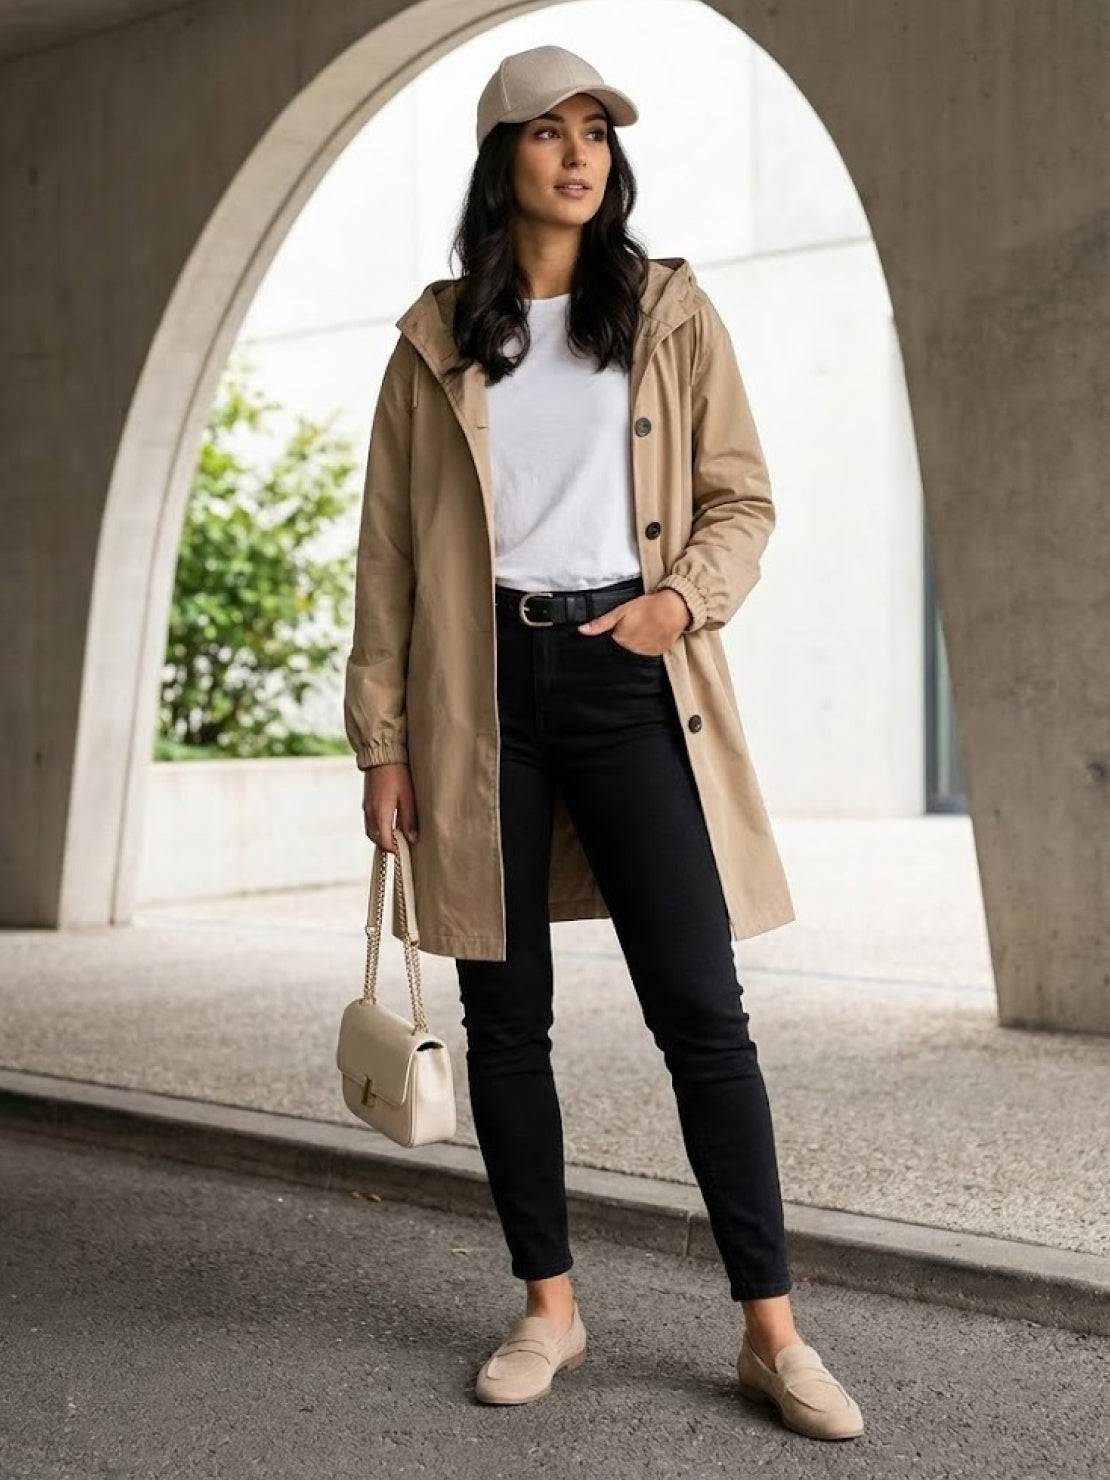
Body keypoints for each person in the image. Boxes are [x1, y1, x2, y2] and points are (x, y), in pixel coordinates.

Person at [348, 44, 864, 1441]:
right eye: (545, 133)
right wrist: (381, 741)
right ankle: (549, 1310)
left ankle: (770, 1332)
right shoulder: (437, 336)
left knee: (702, 1011)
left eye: (595, 132)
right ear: (498, 156)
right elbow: (387, 553)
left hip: (630, 676)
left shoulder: (669, 313)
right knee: (504, 1023)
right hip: (478, 702)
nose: (576, 154)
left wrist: (677, 605)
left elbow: (739, 500)